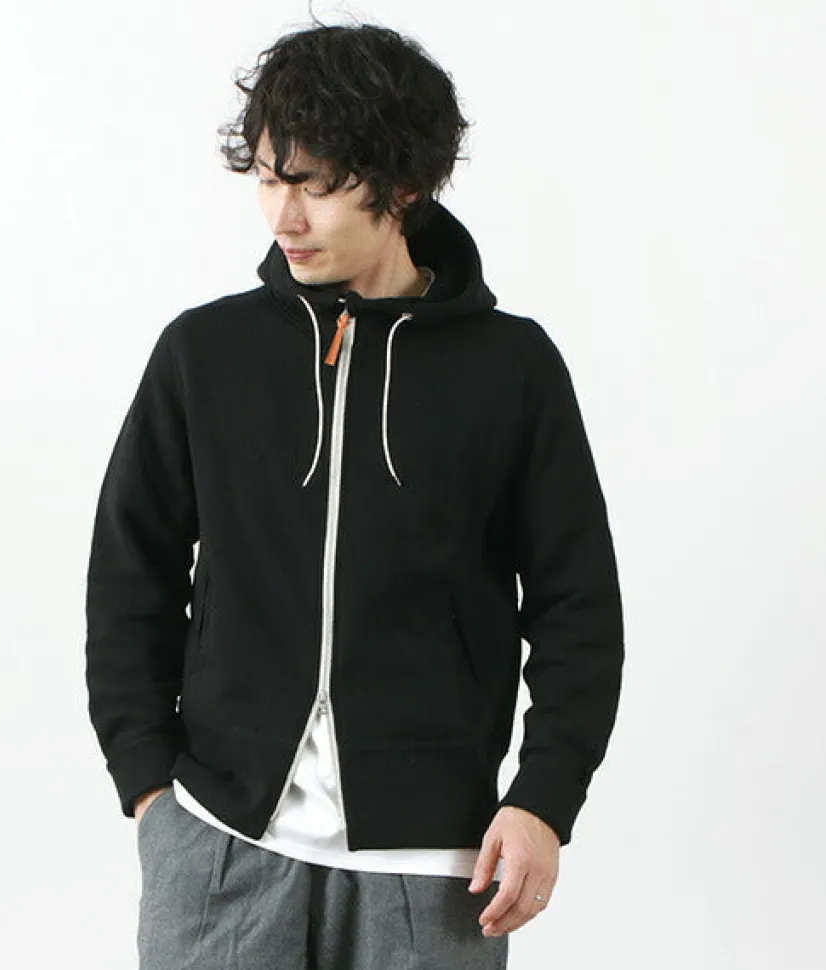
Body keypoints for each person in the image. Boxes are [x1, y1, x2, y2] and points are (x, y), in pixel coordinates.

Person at [84, 19, 624, 970]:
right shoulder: (205, 354)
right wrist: (148, 786)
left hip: (434, 868)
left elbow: (578, 606)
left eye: (315, 185)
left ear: (402, 185)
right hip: (219, 844)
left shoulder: (512, 369)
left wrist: (543, 800)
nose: (282, 216)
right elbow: (132, 572)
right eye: (267, 178)